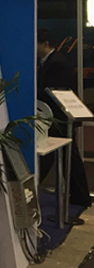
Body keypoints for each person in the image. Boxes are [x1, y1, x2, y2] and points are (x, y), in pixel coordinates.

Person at [37, 28, 91, 211]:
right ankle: (80, 196)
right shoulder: (50, 62)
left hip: (59, 119)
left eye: (36, 44)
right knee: (67, 158)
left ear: (45, 44)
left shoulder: (57, 63)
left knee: (62, 158)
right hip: (56, 119)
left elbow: (54, 91)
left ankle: (80, 196)